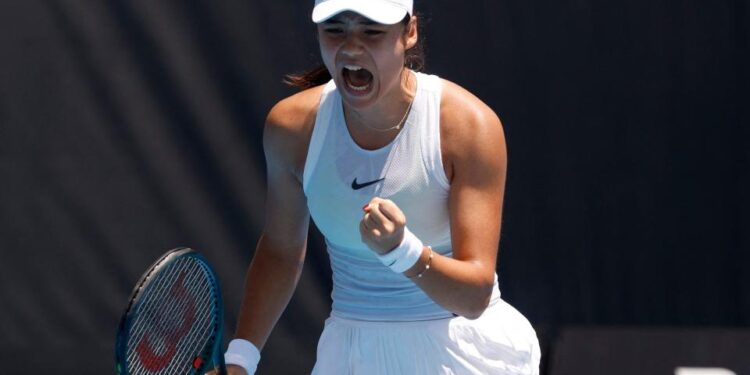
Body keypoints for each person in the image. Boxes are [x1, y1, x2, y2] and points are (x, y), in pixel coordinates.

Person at [211, 0, 541, 373]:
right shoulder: (291, 128)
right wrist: (240, 359)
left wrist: (403, 251)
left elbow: (474, 297)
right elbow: (281, 251)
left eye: (372, 31)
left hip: (462, 351)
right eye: (335, 29)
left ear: (409, 32)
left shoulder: (468, 127)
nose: (351, 47)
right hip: (351, 353)